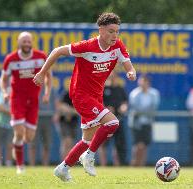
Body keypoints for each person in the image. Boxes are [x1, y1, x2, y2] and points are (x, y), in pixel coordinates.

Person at [33, 12, 136, 182]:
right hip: (80, 96)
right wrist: (42, 73)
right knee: (112, 123)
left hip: (96, 97)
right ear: (101, 30)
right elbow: (57, 51)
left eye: (117, 31)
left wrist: (131, 72)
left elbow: (128, 65)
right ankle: (89, 156)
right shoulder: (87, 46)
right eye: (111, 31)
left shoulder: (117, 45)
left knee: (87, 140)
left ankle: (63, 168)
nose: (115, 35)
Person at [0, 31, 52, 174]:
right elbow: (3, 79)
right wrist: (4, 92)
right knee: (20, 132)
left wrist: (47, 93)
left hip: (33, 101)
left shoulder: (40, 57)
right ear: (19, 42)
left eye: (29, 41)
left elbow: (48, 76)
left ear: (32, 42)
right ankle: (20, 166)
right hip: (17, 99)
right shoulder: (11, 59)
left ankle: (17, 146)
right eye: (24, 41)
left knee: (29, 137)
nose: (27, 44)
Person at [128, 75, 160, 166]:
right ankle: (134, 164)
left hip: (148, 122)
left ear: (148, 83)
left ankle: (142, 164)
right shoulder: (134, 93)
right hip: (136, 122)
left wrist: (145, 112)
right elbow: (135, 108)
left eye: (144, 81)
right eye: (140, 81)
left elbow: (154, 107)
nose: (142, 84)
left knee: (144, 145)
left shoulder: (154, 93)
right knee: (137, 145)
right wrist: (144, 112)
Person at [99, 71, 128, 166]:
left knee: (118, 145)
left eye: (114, 76)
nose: (112, 77)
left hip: (118, 120)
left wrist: (124, 107)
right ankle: (103, 165)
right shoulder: (103, 88)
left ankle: (117, 166)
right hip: (106, 121)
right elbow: (99, 102)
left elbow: (125, 102)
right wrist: (106, 109)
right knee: (103, 144)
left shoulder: (120, 89)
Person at [28, 87, 56, 166]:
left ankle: (45, 165)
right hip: (34, 117)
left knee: (47, 144)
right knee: (32, 143)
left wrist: (56, 113)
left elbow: (55, 101)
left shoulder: (51, 89)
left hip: (48, 117)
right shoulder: (32, 88)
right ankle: (32, 165)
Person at [53, 88, 79, 160]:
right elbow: (60, 105)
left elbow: (79, 110)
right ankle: (64, 162)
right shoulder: (66, 93)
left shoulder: (79, 96)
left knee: (71, 143)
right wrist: (70, 110)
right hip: (63, 121)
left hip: (73, 121)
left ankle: (68, 162)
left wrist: (69, 110)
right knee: (66, 141)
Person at [0, 88, 13, 167]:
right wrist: (11, 111)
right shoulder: (2, 93)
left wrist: (9, 110)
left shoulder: (17, 93)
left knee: (10, 145)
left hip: (11, 124)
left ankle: (8, 164)